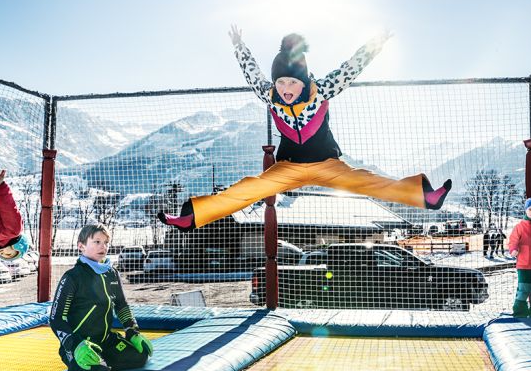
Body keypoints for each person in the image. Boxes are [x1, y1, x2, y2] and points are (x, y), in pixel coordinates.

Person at [158, 26, 452, 231]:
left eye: (292, 83)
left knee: (366, 182)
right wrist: (238, 45)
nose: (286, 89)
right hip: (289, 168)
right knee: (250, 188)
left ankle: (425, 196)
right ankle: (192, 217)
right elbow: (251, 71)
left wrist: (376, 43)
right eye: (281, 82)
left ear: (304, 81)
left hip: (327, 164)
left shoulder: (321, 90)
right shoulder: (268, 93)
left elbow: (351, 68)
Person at [49, 223, 152, 371]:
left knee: (141, 355)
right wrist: (74, 345)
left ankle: (102, 360)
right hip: (79, 344)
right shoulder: (72, 277)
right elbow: (56, 319)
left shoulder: (112, 273)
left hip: (105, 340)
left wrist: (132, 331)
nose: (103, 246)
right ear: (81, 246)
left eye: (106, 242)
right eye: (97, 242)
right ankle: (84, 364)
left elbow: (121, 305)